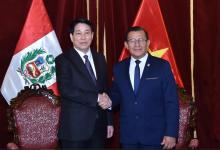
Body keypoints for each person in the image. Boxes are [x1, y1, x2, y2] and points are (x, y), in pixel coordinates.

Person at [109, 26, 179, 149]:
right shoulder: (119, 68)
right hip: (128, 136)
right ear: (126, 45)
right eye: (132, 41)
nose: (137, 44)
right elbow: (116, 95)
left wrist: (171, 133)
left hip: (156, 137)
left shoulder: (162, 66)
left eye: (141, 40)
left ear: (148, 43)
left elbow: (171, 101)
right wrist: (107, 100)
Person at [55, 18, 113, 149]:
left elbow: (105, 90)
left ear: (92, 35)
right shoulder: (63, 60)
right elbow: (66, 89)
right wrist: (97, 98)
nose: (83, 37)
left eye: (87, 33)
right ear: (71, 37)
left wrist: (109, 122)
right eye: (78, 33)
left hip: (99, 128)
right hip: (74, 130)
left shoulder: (100, 58)